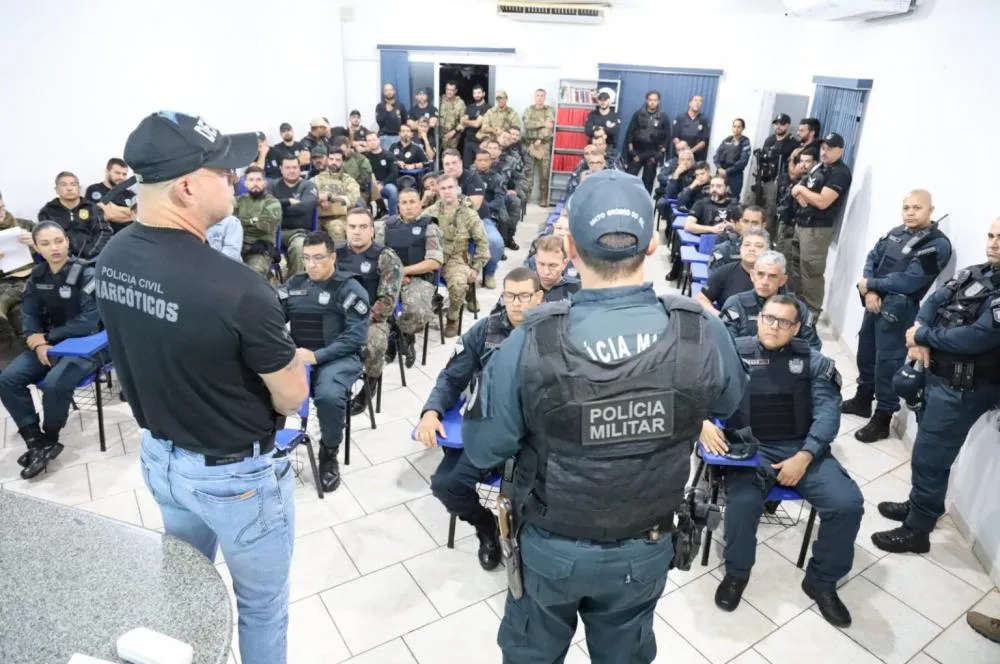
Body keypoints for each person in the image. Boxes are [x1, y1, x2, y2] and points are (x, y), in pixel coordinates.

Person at [461, 170, 748, 662]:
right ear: (653, 243)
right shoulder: (701, 332)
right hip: (645, 546)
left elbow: (483, 447)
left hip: (553, 548)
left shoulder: (531, 339)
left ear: (570, 248)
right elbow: (730, 404)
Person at [93, 111, 309, 664]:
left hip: (163, 460)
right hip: (235, 477)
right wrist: (293, 362)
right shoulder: (238, 288)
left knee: (186, 593)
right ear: (187, 187)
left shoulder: (113, 258)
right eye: (223, 170)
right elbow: (290, 397)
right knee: (261, 608)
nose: (236, 177)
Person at [710, 295, 863, 628]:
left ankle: (821, 581)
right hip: (751, 449)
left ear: (796, 328)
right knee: (743, 502)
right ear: (758, 319)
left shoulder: (815, 362)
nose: (773, 326)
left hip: (801, 449)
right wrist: (705, 422)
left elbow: (827, 414)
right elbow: (701, 391)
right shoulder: (734, 350)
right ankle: (737, 573)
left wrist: (805, 455)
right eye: (768, 318)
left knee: (847, 503)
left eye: (783, 322)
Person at [871, 218, 1000, 555]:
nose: (994, 243)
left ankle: (918, 530)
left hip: (964, 388)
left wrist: (923, 336)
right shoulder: (977, 272)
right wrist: (918, 336)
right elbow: (933, 301)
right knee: (926, 451)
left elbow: (979, 336)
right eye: (991, 235)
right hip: (938, 376)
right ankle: (920, 506)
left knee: (931, 457)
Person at [416, 267, 543, 571]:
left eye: (524, 296)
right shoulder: (485, 331)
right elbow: (451, 378)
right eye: (510, 295)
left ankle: (533, 544)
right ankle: (486, 528)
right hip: (492, 432)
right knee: (446, 485)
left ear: (538, 297)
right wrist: (431, 412)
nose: (516, 303)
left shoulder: (554, 333)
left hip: (539, 437)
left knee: (536, 495)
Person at [843, 190, 952, 442]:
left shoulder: (936, 244)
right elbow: (873, 256)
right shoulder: (896, 232)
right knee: (866, 352)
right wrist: (870, 289)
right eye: (906, 207)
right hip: (875, 301)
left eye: (917, 207)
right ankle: (863, 399)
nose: (910, 212)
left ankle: (883, 417)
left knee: (888, 363)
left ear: (930, 210)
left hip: (898, 309)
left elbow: (909, 281)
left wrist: (871, 283)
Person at [0, 222, 103, 479]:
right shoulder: (37, 277)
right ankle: (35, 441)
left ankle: (51, 436)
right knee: (8, 379)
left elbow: (89, 320)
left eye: (58, 241)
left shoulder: (86, 274)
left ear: (67, 241)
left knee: (55, 383)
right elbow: (29, 313)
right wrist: (37, 341)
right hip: (50, 343)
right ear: (36, 246)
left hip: (88, 343)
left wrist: (46, 337)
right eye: (45, 243)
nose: (53, 248)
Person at [280, 230, 370, 492]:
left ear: (333, 257)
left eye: (319, 258)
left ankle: (328, 453)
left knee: (329, 396)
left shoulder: (349, 288)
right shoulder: (296, 284)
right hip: (299, 356)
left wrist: (317, 356)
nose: (311, 264)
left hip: (338, 358)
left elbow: (355, 338)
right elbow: (271, 313)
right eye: (307, 258)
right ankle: (267, 446)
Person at [334, 209, 403, 415]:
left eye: (363, 227)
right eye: (352, 226)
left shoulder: (386, 258)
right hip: (338, 314)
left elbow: (387, 301)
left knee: (373, 344)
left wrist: (359, 321)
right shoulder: (334, 254)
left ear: (372, 230)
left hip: (373, 318)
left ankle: (370, 383)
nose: (357, 232)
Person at [376, 188, 442, 367]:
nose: (409, 206)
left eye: (413, 201)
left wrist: (403, 271)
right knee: (379, 305)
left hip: (419, 278)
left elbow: (434, 261)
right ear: (398, 206)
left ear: (420, 203)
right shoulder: (387, 226)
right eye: (404, 202)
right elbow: (377, 255)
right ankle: (393, 339)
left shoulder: (429, 226)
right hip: (391, 277)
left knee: (416, 311)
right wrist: (395, 275)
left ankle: (405, 337)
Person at [789, 132, 853, 318]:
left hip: (817, 229)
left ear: (840, 151)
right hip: (801, 224)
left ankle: (811, 315)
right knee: (797, 268)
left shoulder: (840, 173)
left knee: (811, 273)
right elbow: (798, 189)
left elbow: (823, 201)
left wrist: (802, 191)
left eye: (830, 149)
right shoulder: (819, 166)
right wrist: (802, 192)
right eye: (823, 148)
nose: (824, 152)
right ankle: (798, 310)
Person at [423, 175, 490, 336]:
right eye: (443, 188)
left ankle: (453, 317)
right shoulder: (430, 212)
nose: (447, 192)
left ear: (457, 189)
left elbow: (483, 243)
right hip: (432, 257)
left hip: (456, 258)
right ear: (438, 191)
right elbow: (414, 229)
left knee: (458, 285)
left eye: (450, 187)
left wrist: (476, 268)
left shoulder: (469, 214)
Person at [719, 250, 819, 348]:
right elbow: (725, 346)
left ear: (782, 280)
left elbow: (812, 347)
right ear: (752, 275)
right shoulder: (736, 304)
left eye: (772, 276)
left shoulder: (798, 308)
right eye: (760, 274)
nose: (765, 281)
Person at [234, 166, 283, 279]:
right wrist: (253, 220)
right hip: (238, 246)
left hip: (260, 249)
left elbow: (267, 226)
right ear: (245, 183)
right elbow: (231, 223)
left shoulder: (272, 202)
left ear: (265, 183)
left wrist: (242, 222)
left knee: (254, 274)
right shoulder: (239, 201)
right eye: (251, 180)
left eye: (258, 180)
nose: (255, 183)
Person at [625, 90, 671, 193]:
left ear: (658, 101)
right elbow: (630, 132)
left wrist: (661, 153)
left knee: (648, 181)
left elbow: (667, 137)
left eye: (655, 100)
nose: (652, 102)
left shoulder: (663, 116)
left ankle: (645, 202)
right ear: (646, 100)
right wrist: (631, 150)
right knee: (629, 178)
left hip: (653, 153)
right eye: (650, 100)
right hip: (638, 151)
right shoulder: (638, 114)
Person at [713, 118, 752, 199]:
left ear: (743, 128)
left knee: (732, 199)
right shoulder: (727, 140)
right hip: (720, 172)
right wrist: (719, 168)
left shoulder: (745, 141)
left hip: (735, 174)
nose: (736, 129)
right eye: (734, 126)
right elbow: (716, 156)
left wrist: (727, 171)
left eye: (739, 127)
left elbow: (743, 161)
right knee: (716, 196)